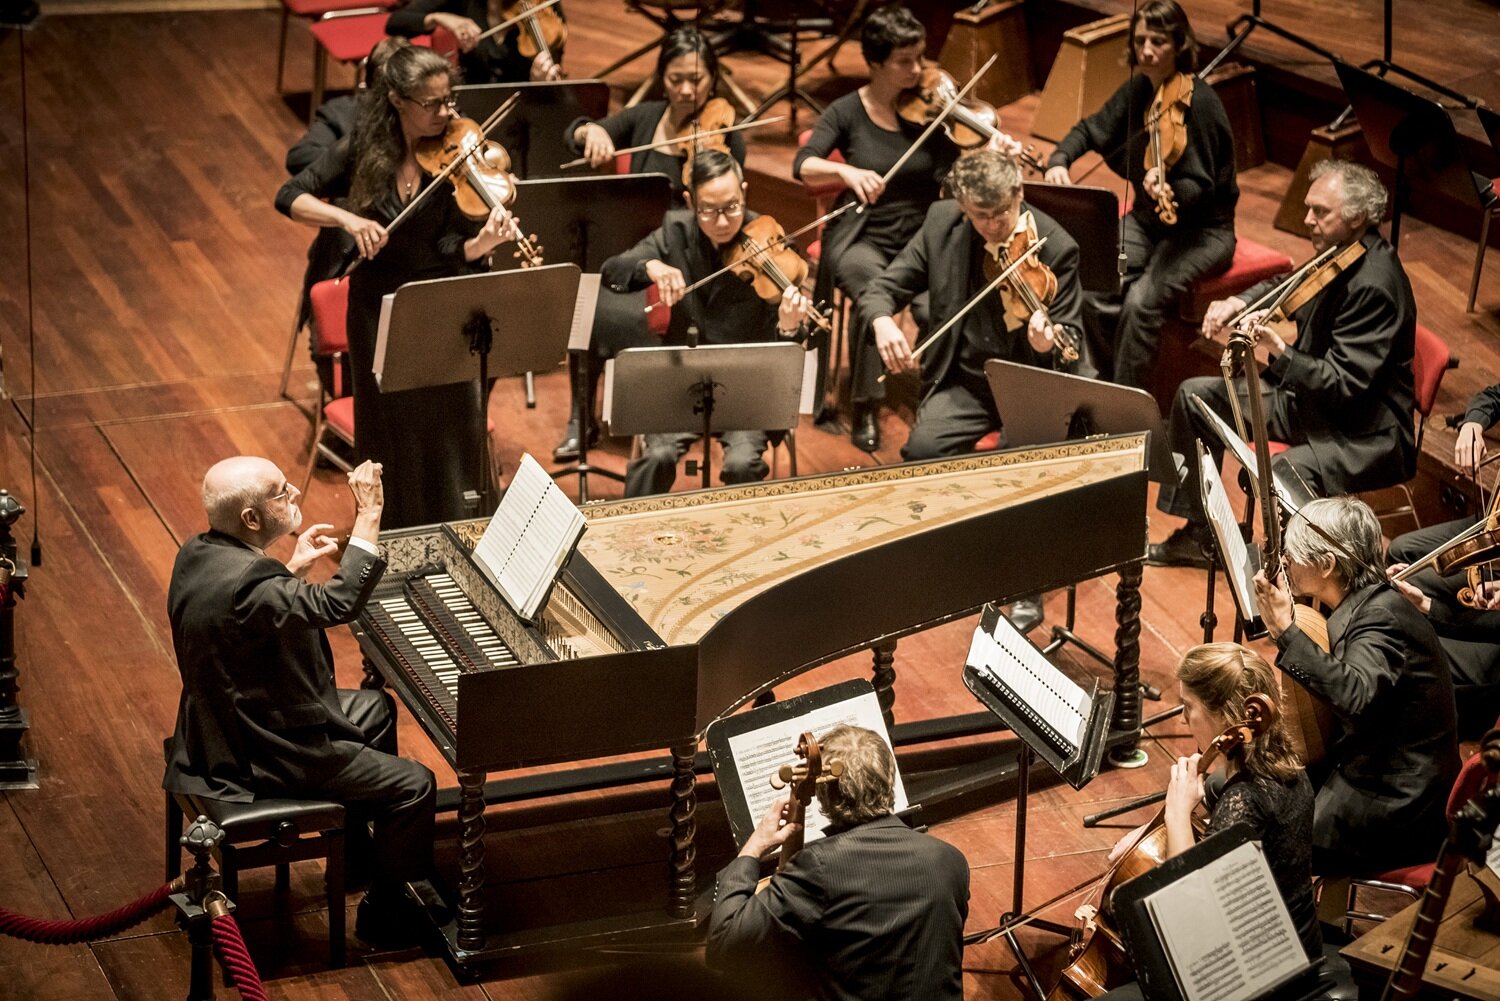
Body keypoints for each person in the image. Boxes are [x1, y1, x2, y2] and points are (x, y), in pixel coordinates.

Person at [162, 457, 436, 947]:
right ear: (250, 519)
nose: (293, 491)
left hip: (221, 720)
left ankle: (358, 858)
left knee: (377, 710)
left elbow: (241, 614)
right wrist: (369, 512)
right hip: (259, 748)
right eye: (279, 491)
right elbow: (337, 604)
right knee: (416, 783)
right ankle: (385, 913)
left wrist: (288, 568)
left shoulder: (198, 551)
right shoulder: (251, 584)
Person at [276, 45, 522, 528]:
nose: (445, 112)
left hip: (442, 303)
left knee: (452, 428)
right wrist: (346, 219)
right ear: (397, 100)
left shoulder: (462, 151)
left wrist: (483, 243)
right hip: (377, 308)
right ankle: (396, 541)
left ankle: (458, 534)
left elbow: (453, 246)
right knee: (390, 432)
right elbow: (291, 196)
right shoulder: (365, 151)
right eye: (431, 103)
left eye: (449, 100)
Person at [1149, 159, 1416, 568]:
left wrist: (1279, 351)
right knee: (1194, 398)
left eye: (1320, 211)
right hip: (1313, 404)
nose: (1307, 219)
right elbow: (1288, 284)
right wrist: (1240, 301)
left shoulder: (1375, 284)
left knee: (1281, 471)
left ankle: (1310, 577)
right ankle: (1202, 536)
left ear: (1358, 216)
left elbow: (1344, 384)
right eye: (1308, 207)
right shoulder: (1340, 251)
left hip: (1361, 431)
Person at [859, 150, 1084, 632]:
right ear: (962, 206)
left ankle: (1026, 585)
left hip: (1029, 383)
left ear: (1019, 195)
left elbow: (1072, 339)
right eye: (979, 216)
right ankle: (950, 558)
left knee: (1021, 468)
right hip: (965, 379)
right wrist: (881, 320)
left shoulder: (1056, 246)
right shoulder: (943, 223)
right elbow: (886, 284)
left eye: (1001, 213)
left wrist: (1048, 340)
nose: (992, 227)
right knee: (922, 448)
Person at [793, 5, 1004, 452]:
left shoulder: (936, 114)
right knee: (877, 297)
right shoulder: (847, 111)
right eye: (903, 61)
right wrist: (847, 174)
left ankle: (941, 395)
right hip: (863, 238)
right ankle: (867, 402)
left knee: (943, 304)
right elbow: (804, 164)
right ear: (875, 63)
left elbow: (960, 175)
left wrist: (991, 145)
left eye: (920, 58)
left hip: (923, 242)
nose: (917, 70)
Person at [552, 26, 750, 460]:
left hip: (689, 262)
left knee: (646, 316)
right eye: (674, 78)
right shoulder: (645, 117)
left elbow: (726, 198)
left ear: (713, 80)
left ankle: (655, 407)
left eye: (695, 80)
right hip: (635, 258)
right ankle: (580, 415)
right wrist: (592, 134)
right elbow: (575, 131)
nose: (684, 90)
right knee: (587, 305)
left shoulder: (726, 131)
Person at [1096, 644, 1323, 1000]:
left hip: (1260, 973)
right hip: (1300, 942)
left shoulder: (1244, 801)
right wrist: (1152, 831)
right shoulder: (1284, 760)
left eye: (1189, 707)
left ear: (1225, 715)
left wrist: (1175, 811)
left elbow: (1188, 906)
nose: (1183, 718)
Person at [1252, 496, 1459, 875]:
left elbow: (1355, 696)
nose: (1285, 562)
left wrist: (1285, 631)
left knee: (1266, 829)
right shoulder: (1364, 601)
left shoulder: (1381, 617)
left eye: (1293, 555)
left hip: (1398, 803)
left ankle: (1304, 930)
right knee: (1241, 784)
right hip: (1372, 766)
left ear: (1327, 565)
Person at [1044, 0, 1237, 391]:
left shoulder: (1200, 103)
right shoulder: (1139, 88)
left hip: (1203, 233)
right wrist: (1060, 159)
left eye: (1158, 41)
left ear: (1179, 44)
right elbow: (1091, 128)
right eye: (1140, 41)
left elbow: (1202, 188)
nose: (1146, 50)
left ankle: (1124, 398)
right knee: (1096, 281)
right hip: (1150, 221)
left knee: (1141, 303)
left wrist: (1170, 188)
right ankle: (1095, 378)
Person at [595, 150, 812, 497]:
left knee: (742, 464)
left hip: (746, 389)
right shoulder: (674, 232)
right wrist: (650, 266)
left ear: (743, 191)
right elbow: (612, 271)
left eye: (732, 206)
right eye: (709, 210)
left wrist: (789, 326)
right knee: (657, 457)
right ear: (690, 201)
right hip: (681, 382)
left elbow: (789, 345)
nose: (723, 221)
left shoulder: (773, 243)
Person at [706, 724, 969, 1001]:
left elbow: (724, 944)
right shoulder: (950, 860)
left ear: (825, 792)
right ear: (889, 777)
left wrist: (755, 845)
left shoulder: (820, 867)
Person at [1386, 390, 1500, 736]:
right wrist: (1473, 425)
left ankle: (1458, 710)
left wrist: (1430, 607)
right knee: (1403, 554)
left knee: (1412, 647)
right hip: (1495, 530)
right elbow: (1492, 396)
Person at [386, 0, 564, 83]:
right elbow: (395, 22)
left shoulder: (543, 7)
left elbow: (554, 77)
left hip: (525, 103)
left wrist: (538, 82)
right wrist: (438, 17)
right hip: (470, 100)